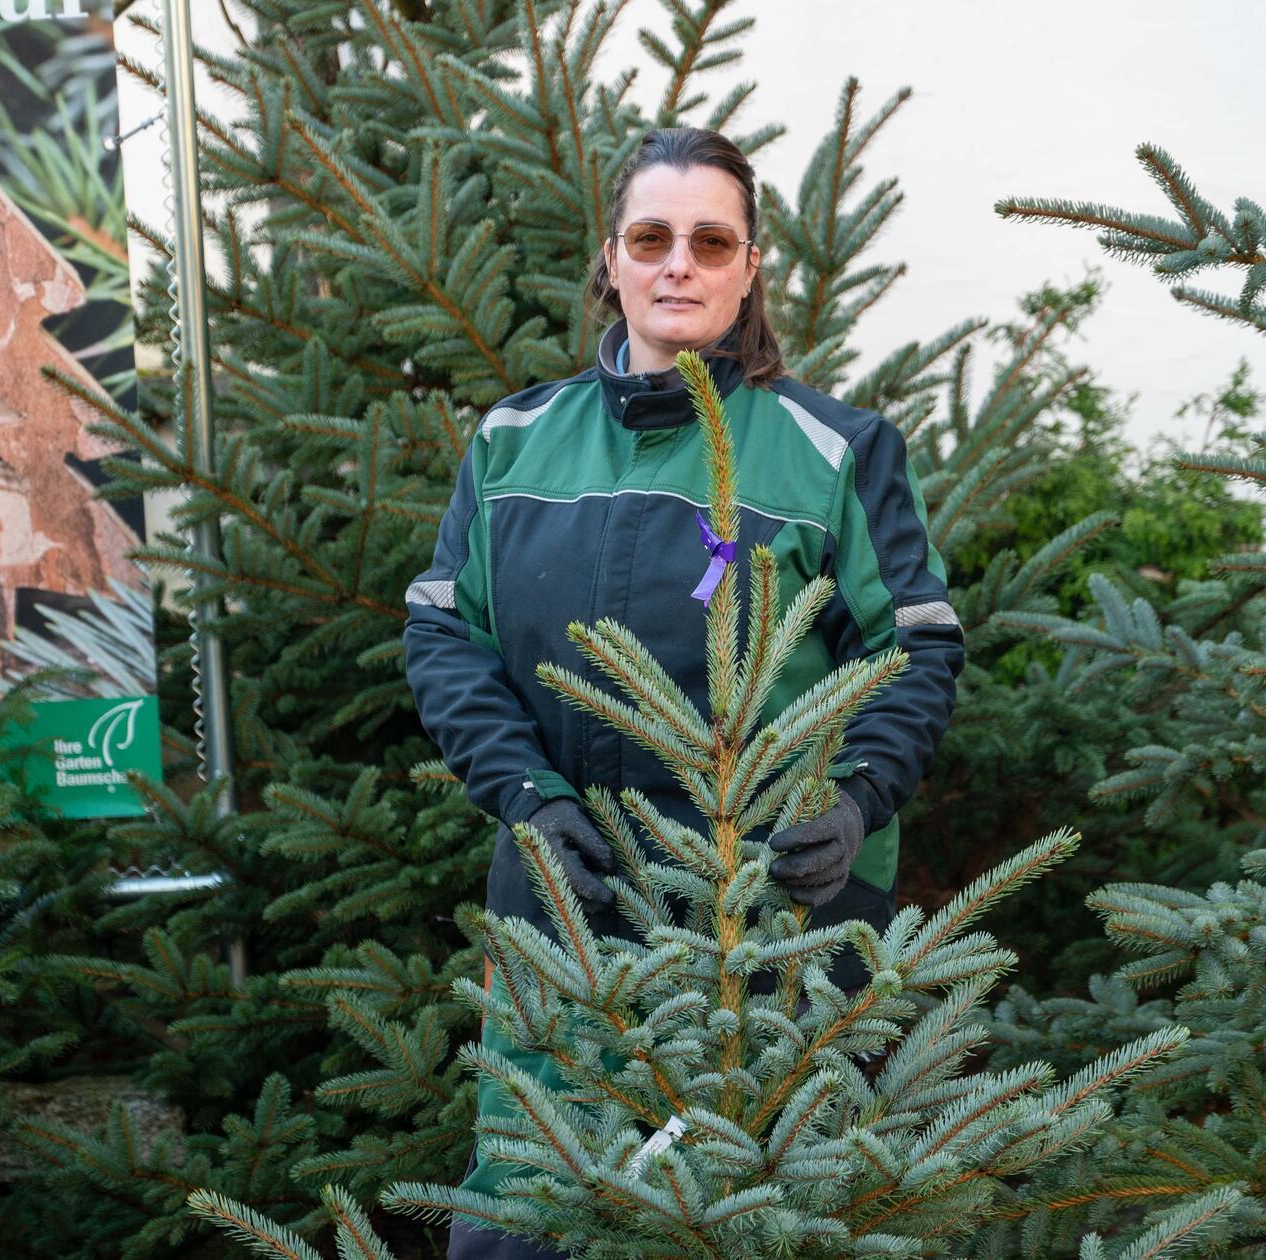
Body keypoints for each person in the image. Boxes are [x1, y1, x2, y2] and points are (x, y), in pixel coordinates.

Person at [402, 125, 963, 1260]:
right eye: (651, 238)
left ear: (748, 267)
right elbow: (442, 636)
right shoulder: (511, 443)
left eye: (712, 242)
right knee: (520, 1223)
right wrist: (526, 798)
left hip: (765, 921)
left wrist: (853, 803)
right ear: (610, 259)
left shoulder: (835, 451)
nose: (679, 266)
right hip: (564, 900)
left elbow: (914, 651)